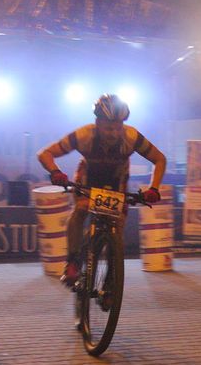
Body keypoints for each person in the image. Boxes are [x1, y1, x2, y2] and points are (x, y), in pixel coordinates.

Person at [38, 94, 166, 287]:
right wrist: (55, 172)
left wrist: (154, 187)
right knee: (80, 210)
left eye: (118, 128)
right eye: (108, 128)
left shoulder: (131, 136)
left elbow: (160, 159)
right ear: (97, 123)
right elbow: (45, 153)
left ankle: (111, 278)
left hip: (117, 181)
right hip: (89, 180)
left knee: (118, 225)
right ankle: (72, 262)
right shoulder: (84, 135)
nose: (113, 133)